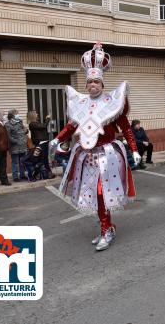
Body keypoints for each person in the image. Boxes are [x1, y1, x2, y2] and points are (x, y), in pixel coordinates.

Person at [50, 42, 140, 251]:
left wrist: (134, 150)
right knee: (94, 193)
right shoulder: (80, 104)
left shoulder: (112, 102)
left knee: (102, 193)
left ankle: (106, 229)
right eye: (90, 81)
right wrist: (57, 139)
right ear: (86, 84)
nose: (93, 85)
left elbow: (126, 128)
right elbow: (71, 126)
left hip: (107, 156)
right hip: (87, 157)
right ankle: (106, 226)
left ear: (102, 83)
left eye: (96, 82)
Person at [27, 111, 55, 179]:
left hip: (44, 142)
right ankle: (40, 174)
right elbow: (44, 126)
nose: (37, 114)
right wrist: (47, 119)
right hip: (40, 143)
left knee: (44, 158)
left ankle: (46, 173)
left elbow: (42, 127)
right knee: (42, 159)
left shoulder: (36, 123)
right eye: (36, 114)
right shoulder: (32, 124)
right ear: (33, 116)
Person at [4, 109, 29, 182]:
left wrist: (25, 131)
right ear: (12, 115)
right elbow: (8, 136)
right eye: (17, 113)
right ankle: (15, 176)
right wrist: (16, 141)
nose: (18, 115)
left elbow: (25, 130)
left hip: (23, 145)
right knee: (15, 162)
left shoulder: (20, 122)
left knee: (22, 161)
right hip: (15, 146)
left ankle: (22, 175)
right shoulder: (8, 124)